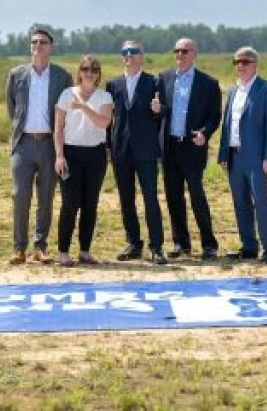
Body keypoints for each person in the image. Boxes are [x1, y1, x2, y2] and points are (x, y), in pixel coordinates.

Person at [6, 28, 73, 265]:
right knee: (20, 195)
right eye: (34, 42)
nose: (37, 46)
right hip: (23, 143)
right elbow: (13, 108)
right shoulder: (17, 75)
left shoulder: (62, 76)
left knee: (46, 197)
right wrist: (21, 132)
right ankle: (19, 248)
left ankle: (40, 247)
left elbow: (67, 110)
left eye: (42, 42)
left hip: (49, 145)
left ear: (50, 47)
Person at [158, 38, 222, 260]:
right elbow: (161, 111)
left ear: (194, 54)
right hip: (170, 146)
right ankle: (181, 244)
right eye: (176, 50)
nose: (180, 55)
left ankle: (209, 244)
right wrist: (158, 109)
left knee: (197, 195)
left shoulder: (208, 83)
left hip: (193, 146)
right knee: (174, 196)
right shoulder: (164, 78)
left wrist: (205, 133)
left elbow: (215, 115)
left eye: (184, 51)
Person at [218, 46, 267, 264]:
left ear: (256, 64)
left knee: (261, 202)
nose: (240, 66)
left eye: (245, 62)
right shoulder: (234, 91)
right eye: (237, 62)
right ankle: (249, 246)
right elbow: (227, 124)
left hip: (257, 157)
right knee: (240, 202)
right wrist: (223, 153)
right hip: (234, 156)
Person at [107, 40, 168, 265]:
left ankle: (156, 246)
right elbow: (108, 121)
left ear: (142, 55)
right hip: (121, 151)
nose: (129, 56)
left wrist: (158, 110)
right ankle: (133, 243)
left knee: (150, 198)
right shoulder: (113, 84)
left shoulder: (154, 81)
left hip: (146, 150)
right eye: (125, 52)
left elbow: (163, 112)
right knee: (126, 199)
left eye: (134, 52)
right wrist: (108, 147)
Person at [53, 56, 113, 267]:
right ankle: (63, 252)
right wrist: (59, 156)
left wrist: (84, 107)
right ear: (79, 72)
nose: (90, 73)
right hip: (71, 154)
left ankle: (85, 252)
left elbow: (103, 122)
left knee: (90, 205)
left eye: (94, 69)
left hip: (96, 156)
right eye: (86, 69)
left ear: (98, 74)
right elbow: (58, 128)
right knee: (70, 204)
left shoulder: (104, 96)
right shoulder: (66, 95)